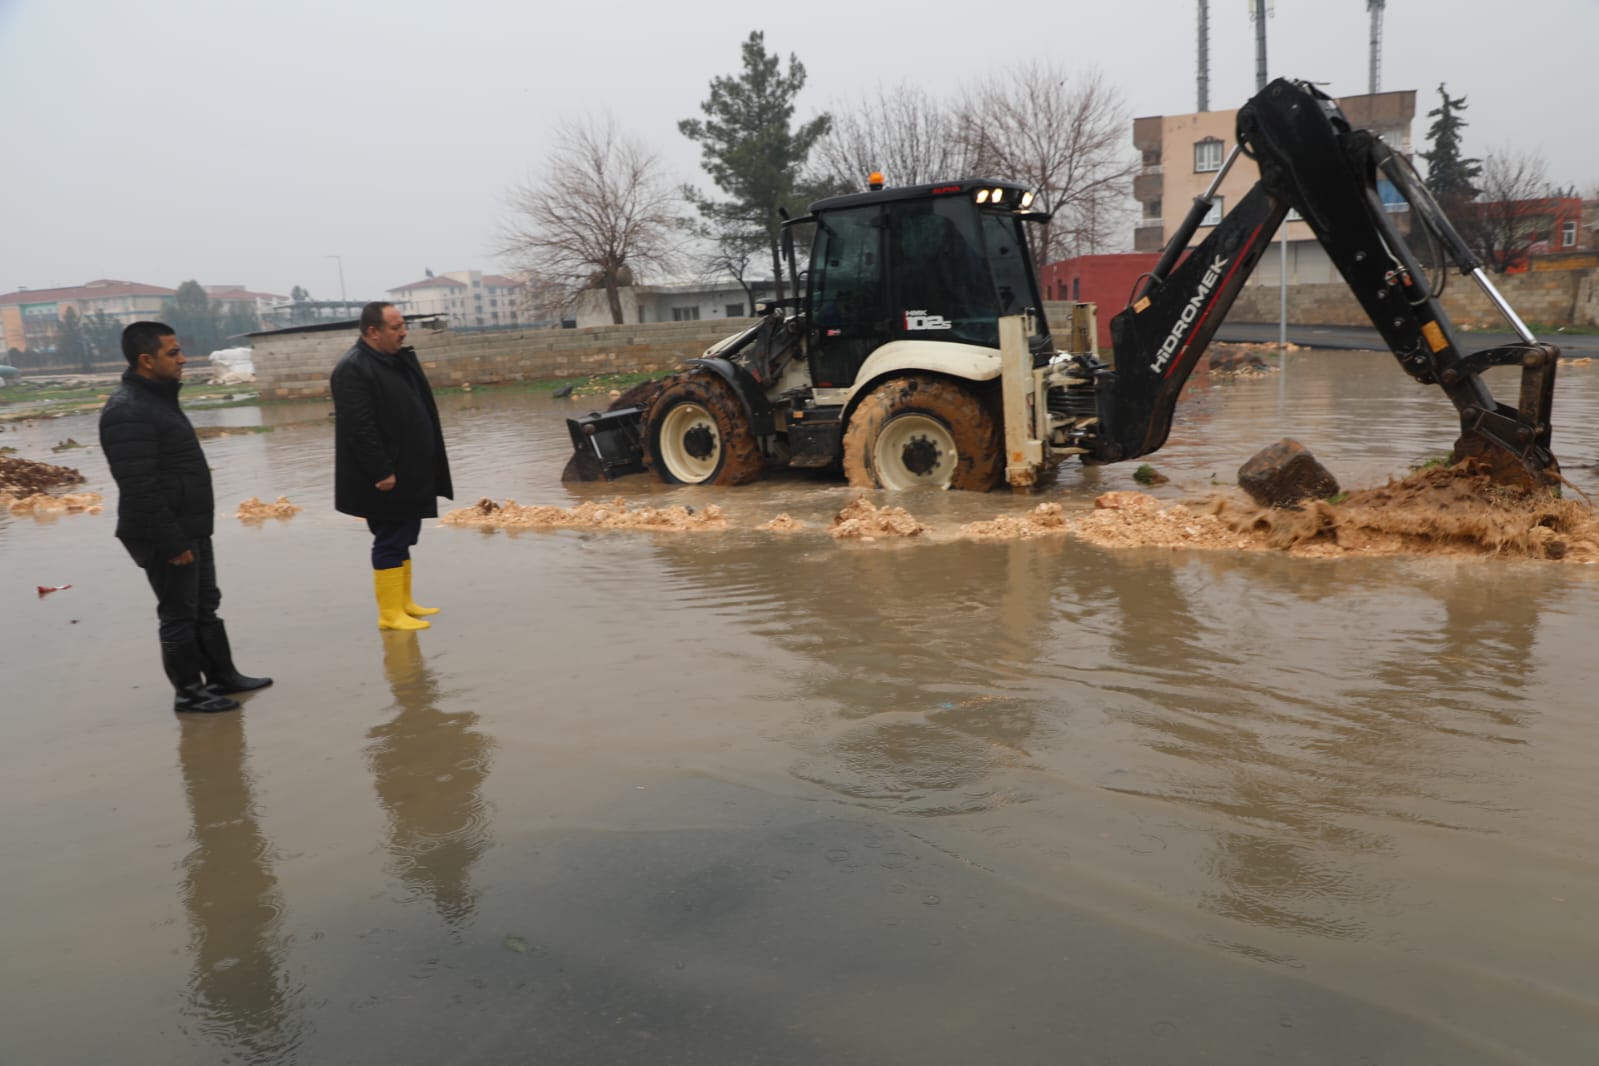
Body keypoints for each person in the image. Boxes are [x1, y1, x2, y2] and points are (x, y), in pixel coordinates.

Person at [99, 322, 272, 713]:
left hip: (189, 523)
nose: (183, 359)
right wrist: (172, 542)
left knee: (205, 603)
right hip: (164, 531)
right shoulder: (127, 410)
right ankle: (190, 693)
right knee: (178, 612)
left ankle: (223, 677)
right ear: (146, 360)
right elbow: (138, 486)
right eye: (173, 353)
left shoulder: (157, 400)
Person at [330, 302, 453, 630]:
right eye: (396, 327)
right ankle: (389, 614)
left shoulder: (394, 361)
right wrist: (381, 471)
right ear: (373, 332)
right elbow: (359, 428)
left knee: (405, 534)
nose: (404, 332)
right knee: (390, 537)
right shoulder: (353, 368)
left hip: (410, 469)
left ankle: (404, 602)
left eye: (403, 326)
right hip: (387, 475)